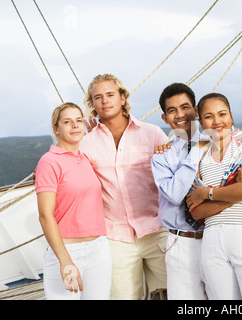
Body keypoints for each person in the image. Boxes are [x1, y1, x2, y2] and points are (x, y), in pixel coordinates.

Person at [80, 74, 169, 300]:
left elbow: (171, 176)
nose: (104, 101)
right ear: (92, 104)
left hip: (157, 229)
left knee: (170, 294)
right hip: (115, 237)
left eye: (110, 95)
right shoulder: (85, 143)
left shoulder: (152, 134)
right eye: (97, 97)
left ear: (122, 98)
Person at [185, 92, 242, 300]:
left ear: (231, 116)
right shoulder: (198, 156)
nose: (217, 121)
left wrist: (207, 193)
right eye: (208, 116)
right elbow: (197, 209)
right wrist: (234, 189)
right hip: (212, 238)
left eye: (222, 114)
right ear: (200, 121)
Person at [35, 102, 111, 300]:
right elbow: (45, 216)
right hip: (67, 250)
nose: (75, 125)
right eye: (67, 122)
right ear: (56, 129)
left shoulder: (86, 158)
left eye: (79, 121)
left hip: (98, 249)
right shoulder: (49, 162)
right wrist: (65, 261)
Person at [151, 83, 210, 300]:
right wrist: (196, 152)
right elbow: (175, 195)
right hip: (181, 243)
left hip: (215, 238)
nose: (180, 115)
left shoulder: (218, 144)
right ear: (165, 118)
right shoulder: (160, 157)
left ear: (195, 110)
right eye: (171, 110)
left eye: (185, 107)